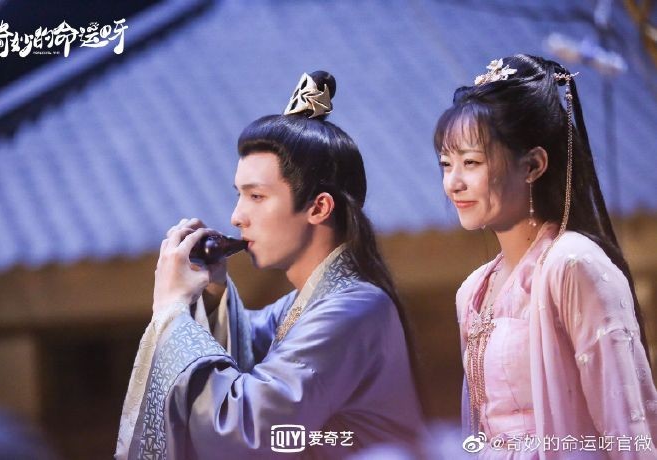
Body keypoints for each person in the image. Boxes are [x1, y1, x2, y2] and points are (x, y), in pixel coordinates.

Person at [115, 71, 424, 459]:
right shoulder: (304, 305)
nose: (236, 217)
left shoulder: (353, 308)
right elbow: (249, 343)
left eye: (256, 197)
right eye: (239, 196)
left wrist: (172, 312)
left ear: (319, 207)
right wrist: (211, 293)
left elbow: (250, 428)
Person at [434, 54, 657, 459]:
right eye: (446, 164)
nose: (454, 182)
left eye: (471, 162)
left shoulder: (572, 264)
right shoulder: (473, 290)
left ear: (533, 165)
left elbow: (626, 425)